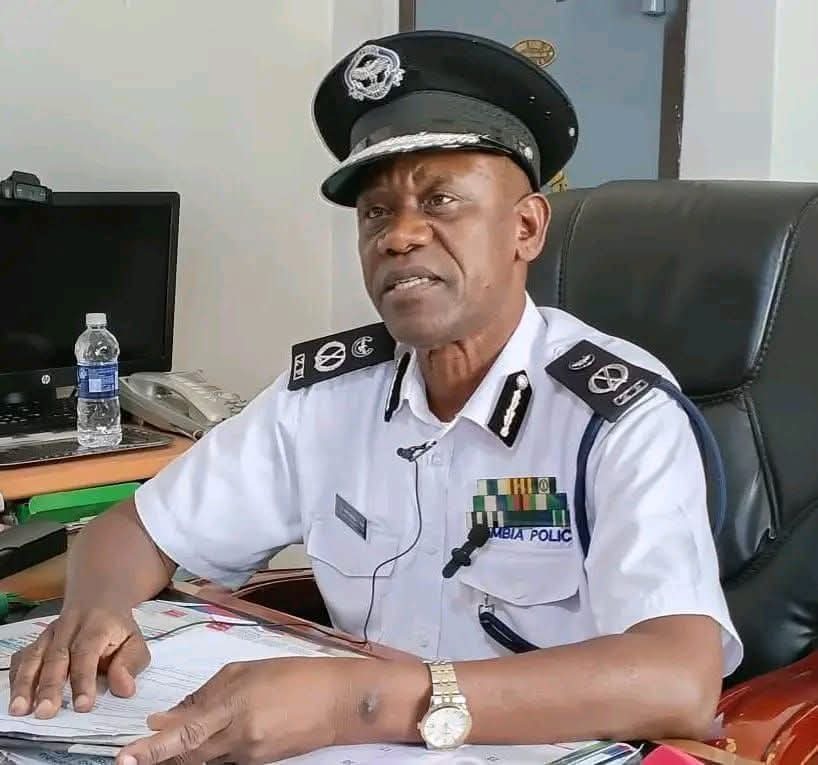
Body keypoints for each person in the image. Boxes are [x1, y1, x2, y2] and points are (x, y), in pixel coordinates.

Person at [9, 30, 742, 763]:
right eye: (375, 212)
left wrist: (354, 701)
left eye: (440, 199)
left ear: (525, 227)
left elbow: (678, 676)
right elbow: (134, 529)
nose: (399, 236)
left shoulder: (613, 413)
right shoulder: (328, 397)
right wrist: (96, 609)